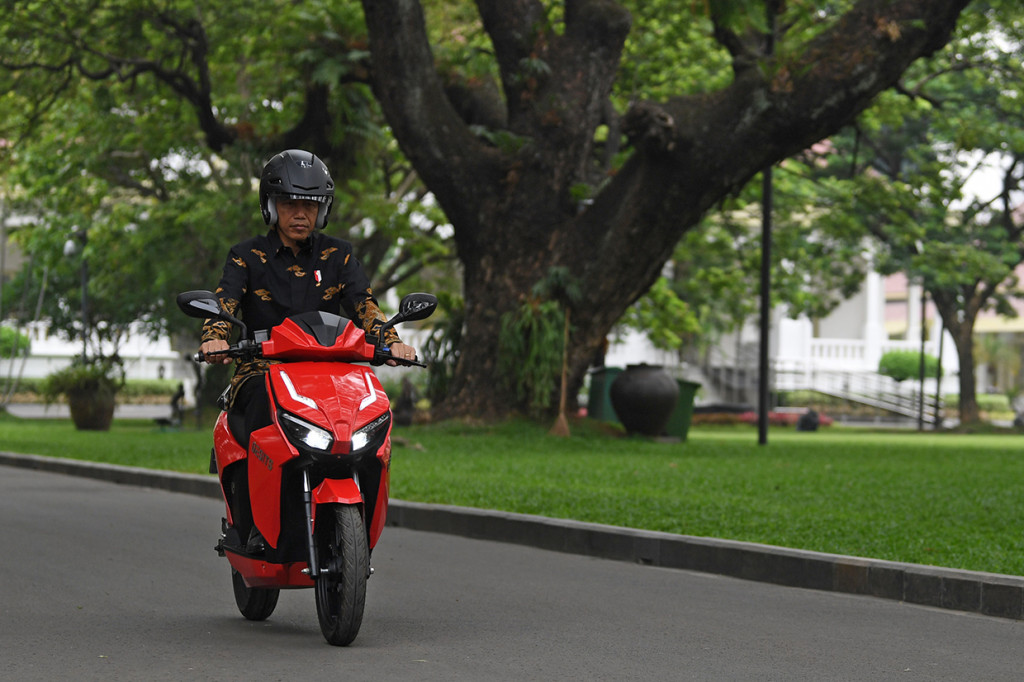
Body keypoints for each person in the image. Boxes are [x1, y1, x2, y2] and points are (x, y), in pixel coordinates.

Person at [198, 149, 416, 551]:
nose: (300, 214)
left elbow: (365, 306)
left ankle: (360, 517)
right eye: (289, 204)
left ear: (323, 209)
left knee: (371, 412)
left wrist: (392, 342)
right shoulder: (245, 256)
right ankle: (254, 527)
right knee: (258, 410)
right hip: (263, 370)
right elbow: (224, 303)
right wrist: (215, 336)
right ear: (270, 206)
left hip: (333, 372)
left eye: (311, 205)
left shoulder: (339, 254)